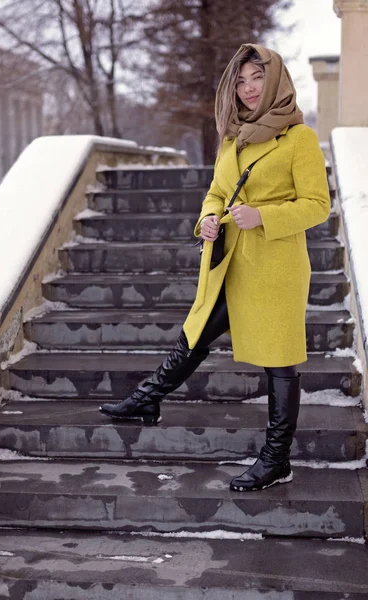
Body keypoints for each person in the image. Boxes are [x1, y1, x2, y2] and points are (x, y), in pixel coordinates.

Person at [100, 43, 331, 492]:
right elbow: (216, 192)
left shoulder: (299, 138)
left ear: (275, 81)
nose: (248, 89)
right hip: (229, 258)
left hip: (276, 263)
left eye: (257, 78)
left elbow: (318, 205)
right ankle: (148, 399)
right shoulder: (232, 137)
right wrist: (206, 219)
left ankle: (276, 458)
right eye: (241, 81)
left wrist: (264, 215)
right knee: (199, 329)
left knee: (280, 361)